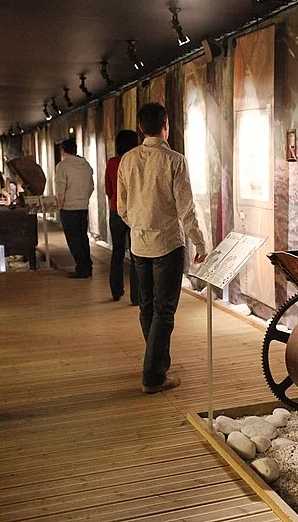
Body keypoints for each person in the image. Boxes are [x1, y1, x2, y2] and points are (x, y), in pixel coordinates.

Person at [117, 103, 207, 394]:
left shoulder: (127, 160)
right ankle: (154, 375)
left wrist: (139, 224)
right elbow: (186, 207)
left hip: (140, 244)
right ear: (165, 125)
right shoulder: (175, 160)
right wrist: (200, 241)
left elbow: (122, 207)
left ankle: (156, 361)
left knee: (148, 306)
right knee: (164, 310)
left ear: (141, 128)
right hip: (167, 244)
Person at [105, 130, 140, 303]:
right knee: (136, 254)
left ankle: (116, 291)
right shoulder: (137, 161)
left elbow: (108, 190)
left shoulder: (112, 163)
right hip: (134, 211)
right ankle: (136, 296)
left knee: (117, 252)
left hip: (115, 211)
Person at [55, 139, 94, 278]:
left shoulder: (62, 166)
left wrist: (60, 205)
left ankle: (82, 268)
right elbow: (91, 186)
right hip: (82, 207)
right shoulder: (86, 165)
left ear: (63, 150)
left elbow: (60, 188)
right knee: (83, 237)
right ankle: (87, 266)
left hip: (68, 208)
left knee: (74, 240)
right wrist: (84, 199)